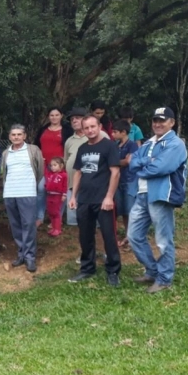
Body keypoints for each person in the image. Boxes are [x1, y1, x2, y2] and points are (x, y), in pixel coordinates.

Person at [127, 107, 188, 294]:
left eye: (162, 120)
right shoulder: (148, 143)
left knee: (163, 240)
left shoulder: (175, 144)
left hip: (161, 195)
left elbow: (160, 168)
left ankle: (164, 279)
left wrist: (143, 165)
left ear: (172, 123)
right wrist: (148, 161)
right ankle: (152, 271)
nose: (158, 124)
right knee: (133, 236)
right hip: (142, 194)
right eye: (155, 120)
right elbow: (132, 162)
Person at [68, 114, 122, 286]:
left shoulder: (109, 146)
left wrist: (109, 197)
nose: (90, 130)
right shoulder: (82, 148)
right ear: (82, 130)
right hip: (84, 199)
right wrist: (73, 197)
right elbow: (78, 172)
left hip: (103, 201)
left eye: (93, 126)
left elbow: (115, 172)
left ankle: (113, 271)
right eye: (86, 128)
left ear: (99, 127)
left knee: (109, 236)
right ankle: (87, 268)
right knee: (85, 236)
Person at [1, 124, 44, 273]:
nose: (16, 137)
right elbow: (4, 173)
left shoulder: (33, 150)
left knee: (29, 224)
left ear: (24, 136)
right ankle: (21, 254)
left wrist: (31, 185)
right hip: (10, 194)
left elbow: (40, 171)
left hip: (27, 193)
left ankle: (30, 257)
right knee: (16, 225)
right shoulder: (6, 153)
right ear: (9, 137)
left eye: (19, 134)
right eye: (13, 135)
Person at [33, 107, 75, 226]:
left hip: (59, 168)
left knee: (57, 192)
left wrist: (63, 162)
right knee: (41, 189)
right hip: (45, 166)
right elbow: (37, 146)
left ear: (61, 116)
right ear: (48, 116)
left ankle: (57, 219)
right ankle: (39, 217)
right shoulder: (43, 129)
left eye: (57, 115)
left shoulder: (67, 130)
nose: (54, 117)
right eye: (52, 115)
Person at [112, 119, 139, 245]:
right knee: (122, 210)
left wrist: (116, 162)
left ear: (123, 132)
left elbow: (129, 161)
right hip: (118, 180)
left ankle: (133, 236)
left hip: (130, 180)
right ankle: (128, 235)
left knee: (130, 209)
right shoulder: (115, 145)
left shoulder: (132, 145)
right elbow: (122, 161)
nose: (113, 134)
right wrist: (121, 161)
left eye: (115, 132)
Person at [64, 108, 89, 227]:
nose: (74, 121)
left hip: (90, 180)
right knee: (73, 213)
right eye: (72, 119)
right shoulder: (69, 140)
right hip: (71, 181)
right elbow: (65, 159)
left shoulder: (96, 135)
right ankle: (73, 227)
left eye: (77, 118)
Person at [44, 157, 68, 237]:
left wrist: (64, 194)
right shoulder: (50, 174)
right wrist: (43, 163)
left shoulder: (64, 175)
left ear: (61, 165)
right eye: (51, 165)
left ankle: (58, 229)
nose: (52, 167)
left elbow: (65, 186)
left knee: (56, 212)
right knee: (50, 212)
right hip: (49, 194)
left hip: (57, 195)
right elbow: (45, 172)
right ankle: (53, 228)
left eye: (55, 165)